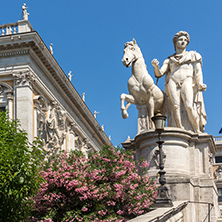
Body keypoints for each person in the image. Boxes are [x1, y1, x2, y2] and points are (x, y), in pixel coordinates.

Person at [152, 31, 207, 133]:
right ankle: (179, 128)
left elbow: (198, 71)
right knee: (175, 106)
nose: (183, 42)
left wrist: (200, 83)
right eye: (180, 40)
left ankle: (197, 130)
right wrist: (155, 67)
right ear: (175, 42)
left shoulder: (193, 55)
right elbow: (159, 73)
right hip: (173, 81)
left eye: (185, 40)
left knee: (189, 105)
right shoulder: (170, 60)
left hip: (187, 80)